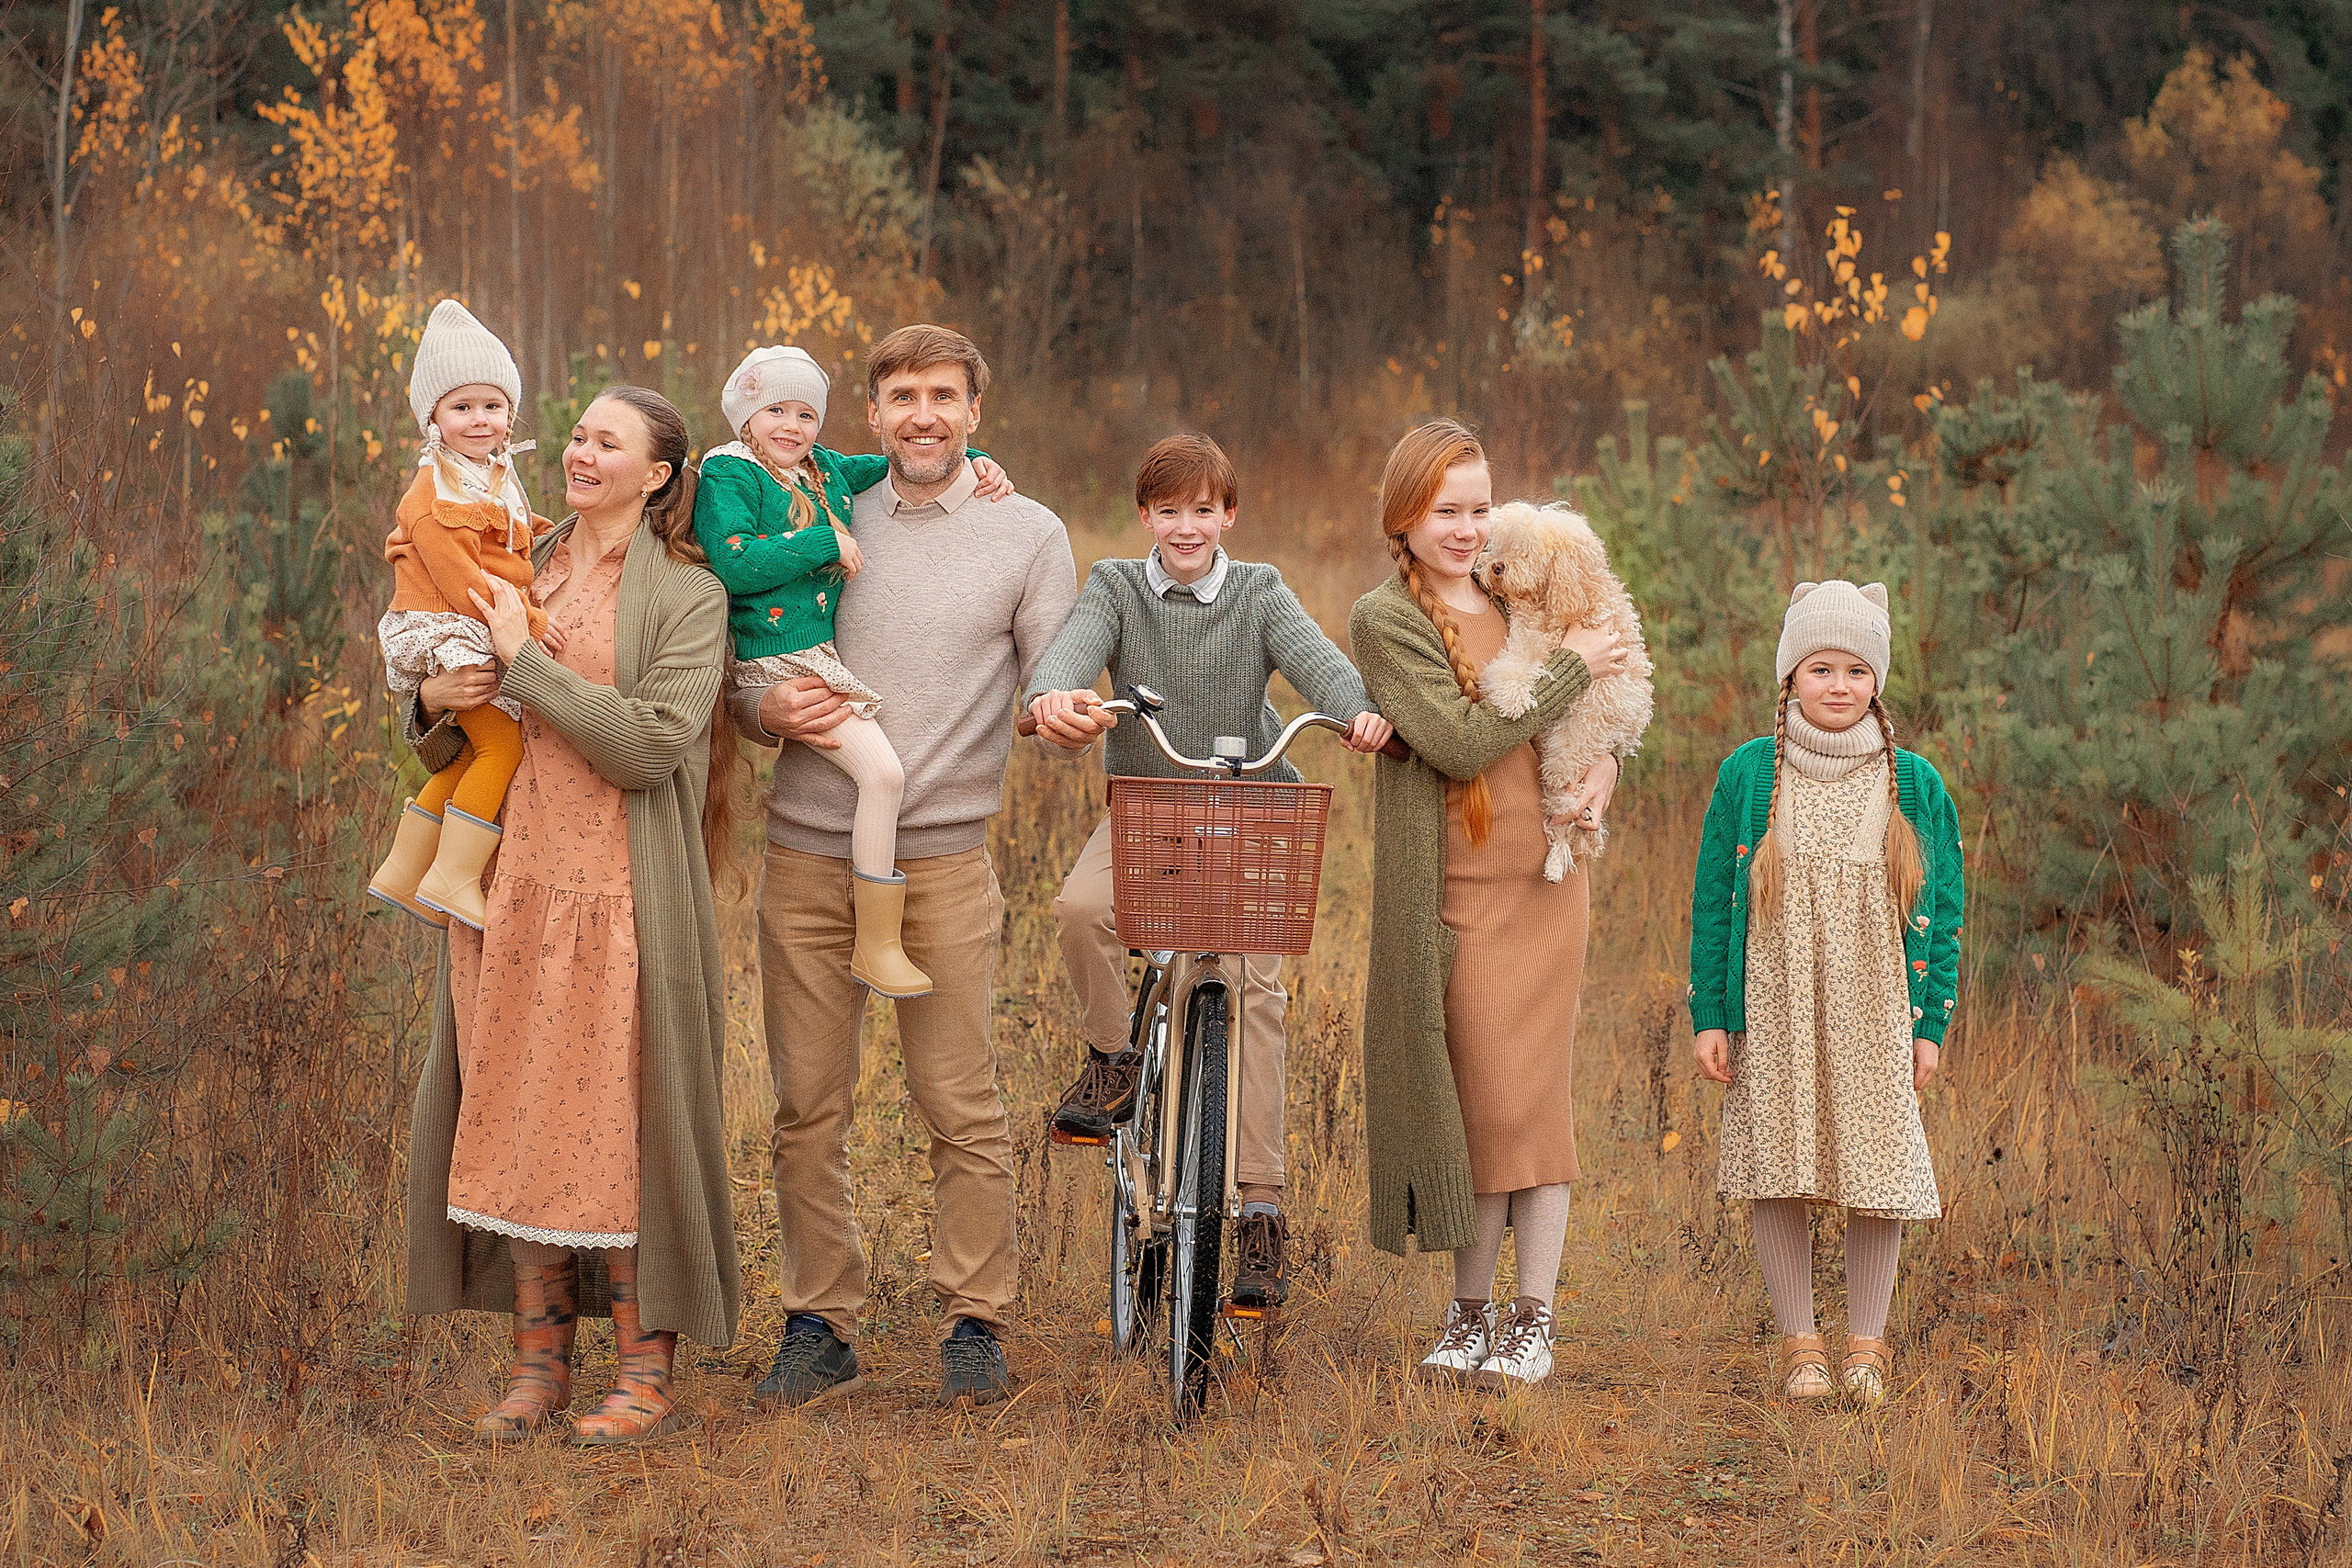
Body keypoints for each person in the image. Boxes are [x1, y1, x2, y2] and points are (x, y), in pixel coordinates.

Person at [732, 324, 1078, 1410]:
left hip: (939, 864)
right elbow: (744, 654)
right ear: (870, 417)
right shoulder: (812, 509)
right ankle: (818, 1321)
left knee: (959, 1103)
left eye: (942, 395)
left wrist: (1056, 713)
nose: (922, 414)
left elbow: (1049, 675)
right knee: (807, 1107)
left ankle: (974, 1321)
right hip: (805, 857)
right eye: (899, 396)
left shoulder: (1026, 532)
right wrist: (759, 706)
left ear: (975, 411)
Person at [401, 385, 743, 1446]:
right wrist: (429, 705)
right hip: (509, 888)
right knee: (513, 1115)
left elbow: (650, 745)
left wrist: (529, 664)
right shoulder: (525, 554)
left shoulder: (689, 595)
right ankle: (539, 1365)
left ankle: (645, 1371)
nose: (582, 452)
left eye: (609, 442)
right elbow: (458, 719)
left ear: (657, 476)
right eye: (580, 434)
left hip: (622, 893)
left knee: (626, 1128)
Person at [1023, 432, 1395, 1309]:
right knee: (1082, 908)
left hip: (1252, 811)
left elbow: (1321, 666)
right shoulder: (1117, 585)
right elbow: (1072, 654)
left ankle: (1260, 1206)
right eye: (1168, 510)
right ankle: (1115, 1060)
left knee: (1255, 993)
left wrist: (1363, 715)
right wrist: (1057, 694)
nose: (1185, 527)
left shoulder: (1259, 591)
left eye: (1203, 509)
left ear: (1228, 514)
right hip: (1148, 814)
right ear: (1145, 515)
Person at [1348, 420, 1634, 1391]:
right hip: (1454, 893)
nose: (1467, 530)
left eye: (1478, 508)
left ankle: (1531, 1320)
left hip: (1541, 881)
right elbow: (1459, 741)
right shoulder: (1386, 621)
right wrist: (1570, 673)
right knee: (1473, 1108)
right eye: (1445, 512)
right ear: (1405, 516)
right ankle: (1467, 1314)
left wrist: (1602, 766)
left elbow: (1601, 699)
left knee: (1531, 1109)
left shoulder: (1525, 591)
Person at [1689, 581, 1962, 1405]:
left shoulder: (1913, 784)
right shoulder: (1749, 773)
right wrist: (1711, 1014)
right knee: (1780, 1156)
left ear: (1877, 678)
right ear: (1790, 677)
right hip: (1775, 1000)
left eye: (1854, 669)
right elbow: (1712, 900)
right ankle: (1801, 1338)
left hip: (1876, 1008)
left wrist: (1932, 1024)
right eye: (1819, 667)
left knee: (1875, 1160)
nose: (1837, 686)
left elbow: (1943, 914)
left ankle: (1866, 1342)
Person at [693, 345, 1014, 997]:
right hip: (770, 661)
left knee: (880, 776)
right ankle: (876, 944)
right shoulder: (730, 474)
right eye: (774, 410)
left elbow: (889, 464)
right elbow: (731, 561)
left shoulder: (820, 469)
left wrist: (978, 462)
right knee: (884, 772)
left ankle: (874, 939)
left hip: (812, 659)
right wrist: (825, 541)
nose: (791, 425)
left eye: (807, 413)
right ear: (745, 417)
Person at [368, 299, 552, 931]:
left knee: (470, 756)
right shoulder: (435, 492)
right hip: (451, 626)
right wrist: (528, 623)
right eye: (462, 407)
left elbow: (506, 534)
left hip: (467, 619)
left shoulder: (489, 474)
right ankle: (452, 876)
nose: (480, 419)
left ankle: (403, 867)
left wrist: (540, 534)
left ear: (511, 415)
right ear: (432, 419)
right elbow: (463, 579)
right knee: (501, 747)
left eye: (493, 406)